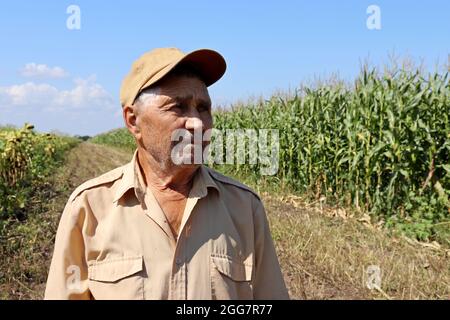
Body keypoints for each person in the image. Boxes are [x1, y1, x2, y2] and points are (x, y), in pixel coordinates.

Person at [44, 47, 289, 300]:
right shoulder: (88, 207)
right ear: (133, 121)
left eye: (203, 108)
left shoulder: (245, 208)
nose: (197, 123)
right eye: (178, 107)